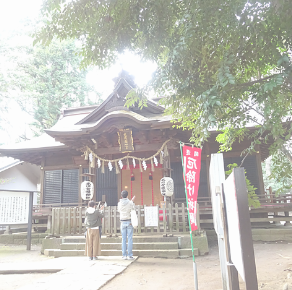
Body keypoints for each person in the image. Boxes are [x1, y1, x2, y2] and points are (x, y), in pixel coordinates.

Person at [117, 190, 135, 260]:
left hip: (122, 221)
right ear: (127, 195)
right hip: (129, 221)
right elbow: (133, 209)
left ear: (121, 196)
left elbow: (119, 210)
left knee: (123, 239)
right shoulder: (130, 203)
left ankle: (124, 255)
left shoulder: (119, 203)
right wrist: (132, 201)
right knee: (130, 238)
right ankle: (130, 255)